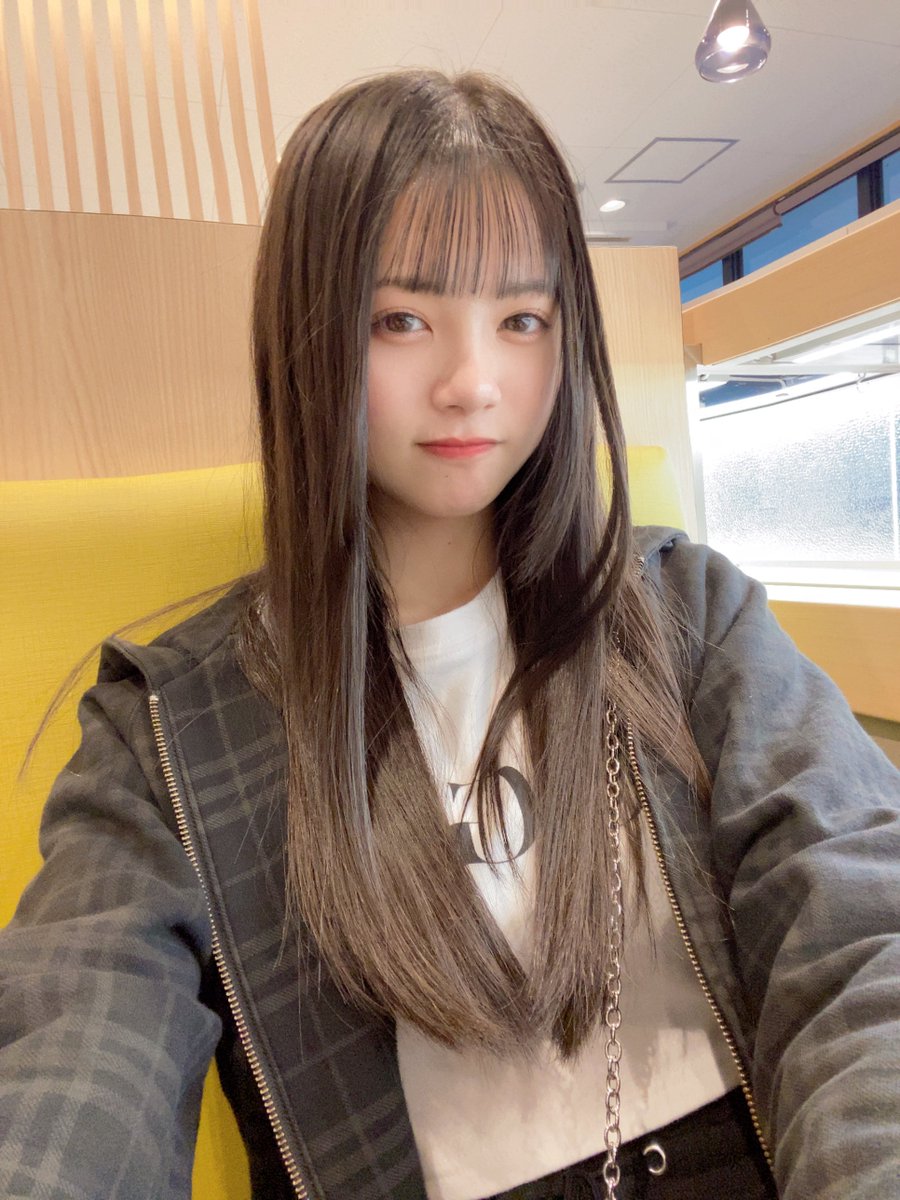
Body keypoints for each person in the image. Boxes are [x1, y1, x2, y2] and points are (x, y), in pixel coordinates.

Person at [1, 69, 898, 1200]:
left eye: (522, 320)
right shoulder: (165, 738)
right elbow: (76, 1063)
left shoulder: (691, 614)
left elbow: (861, 932)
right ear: (307, 337)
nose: (474, 383)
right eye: (401, 320)